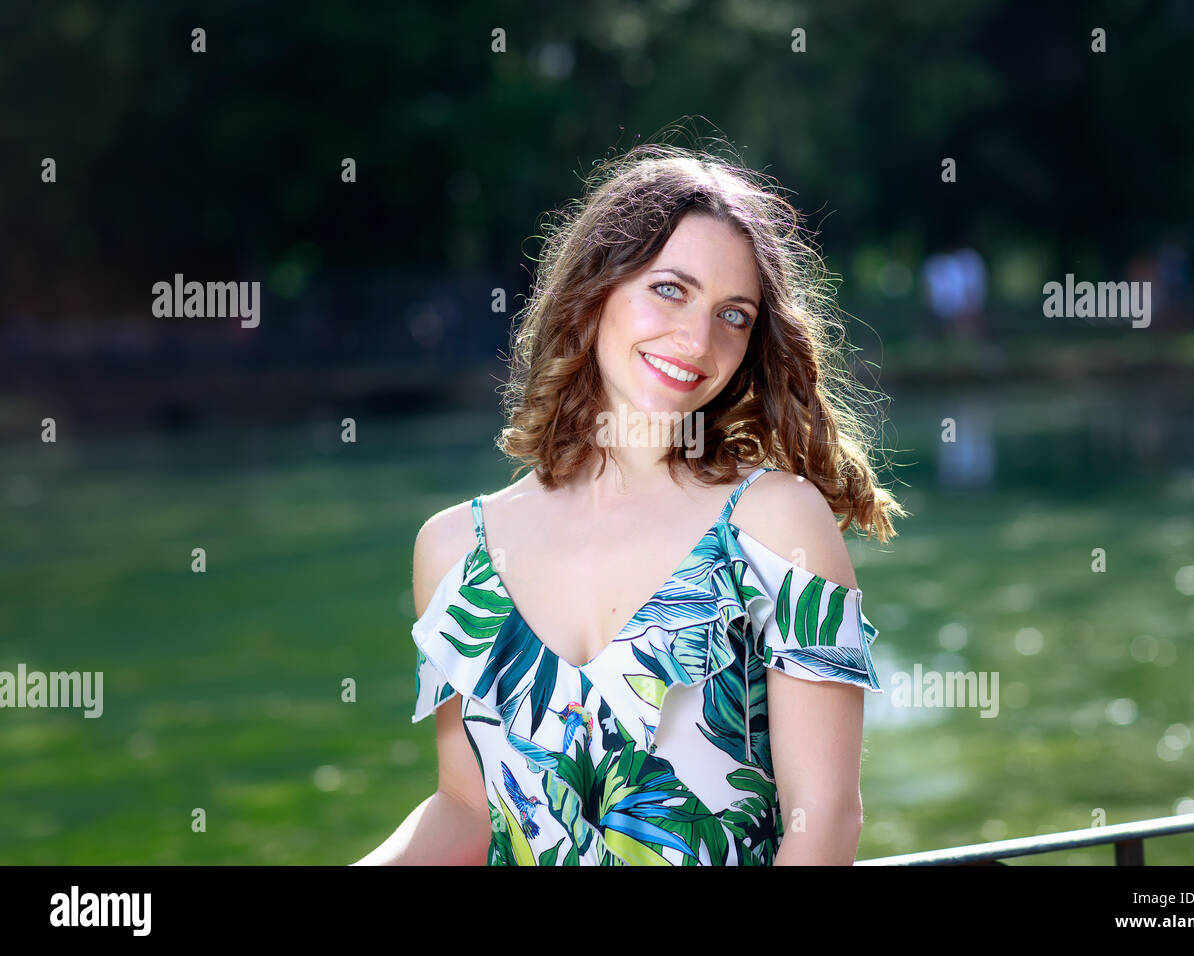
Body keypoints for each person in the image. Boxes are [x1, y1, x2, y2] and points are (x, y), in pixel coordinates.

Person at [355, 143, 907, 866]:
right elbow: (465, 807)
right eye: (670, 290)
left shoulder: (774, 522)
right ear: (596, 291)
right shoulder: (456, 550)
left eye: (733, 315)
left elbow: (826, 820)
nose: (697, 339)